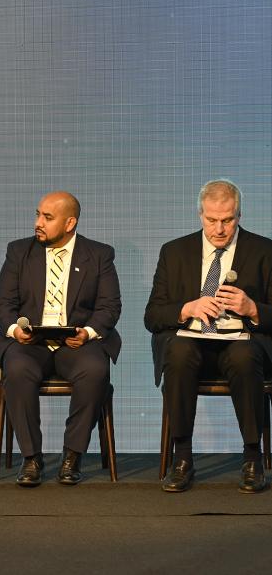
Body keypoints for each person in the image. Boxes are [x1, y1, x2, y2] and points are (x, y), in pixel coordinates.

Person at [145, 179, 272, 494]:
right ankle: (183, 458)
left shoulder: (264, 251)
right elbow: (152, 317)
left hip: (243, 345)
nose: (219, 228)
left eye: (227, 220)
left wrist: (253, 308)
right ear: (200, 214)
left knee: (243, 356)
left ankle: (253, 458)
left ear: (239, 216)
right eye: (212, 220)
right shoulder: (174, 252)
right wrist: (187, 308)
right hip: (192, 346)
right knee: (178, 351)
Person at [0, 191, 122, 487]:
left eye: (47, 218)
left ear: (69, 223)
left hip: (75, 344)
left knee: (95, 370)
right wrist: (15, 330)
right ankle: (32, 458)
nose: (38, 222)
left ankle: (72, 456)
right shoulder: (19, 252)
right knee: (16, 369)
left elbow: (109, 306)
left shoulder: (99, 255)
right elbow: (3, 303)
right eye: (38, 214)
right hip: (31, 343)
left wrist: (87, 333)